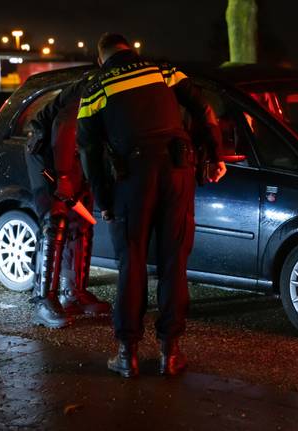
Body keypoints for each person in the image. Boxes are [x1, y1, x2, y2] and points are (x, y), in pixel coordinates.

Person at [76, 33, 226, 377]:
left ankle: (127, 354)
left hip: (132, 179)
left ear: (102, 58)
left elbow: (88, 151)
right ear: (131, 49)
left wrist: (104, 201)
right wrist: (215, 154)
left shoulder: (98, 87)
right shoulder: (163, 70)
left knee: (132, 262)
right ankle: (170, 354)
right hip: (177, 172)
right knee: (174, 262)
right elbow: (203, 108)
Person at [25, 76, 111, 329]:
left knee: (81, 221)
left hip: (73, 151)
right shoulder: (95, 86)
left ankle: (74, 293)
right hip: (48, 153)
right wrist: (62, 177)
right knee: (56, 218)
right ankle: (44, 300)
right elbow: (65, 126)